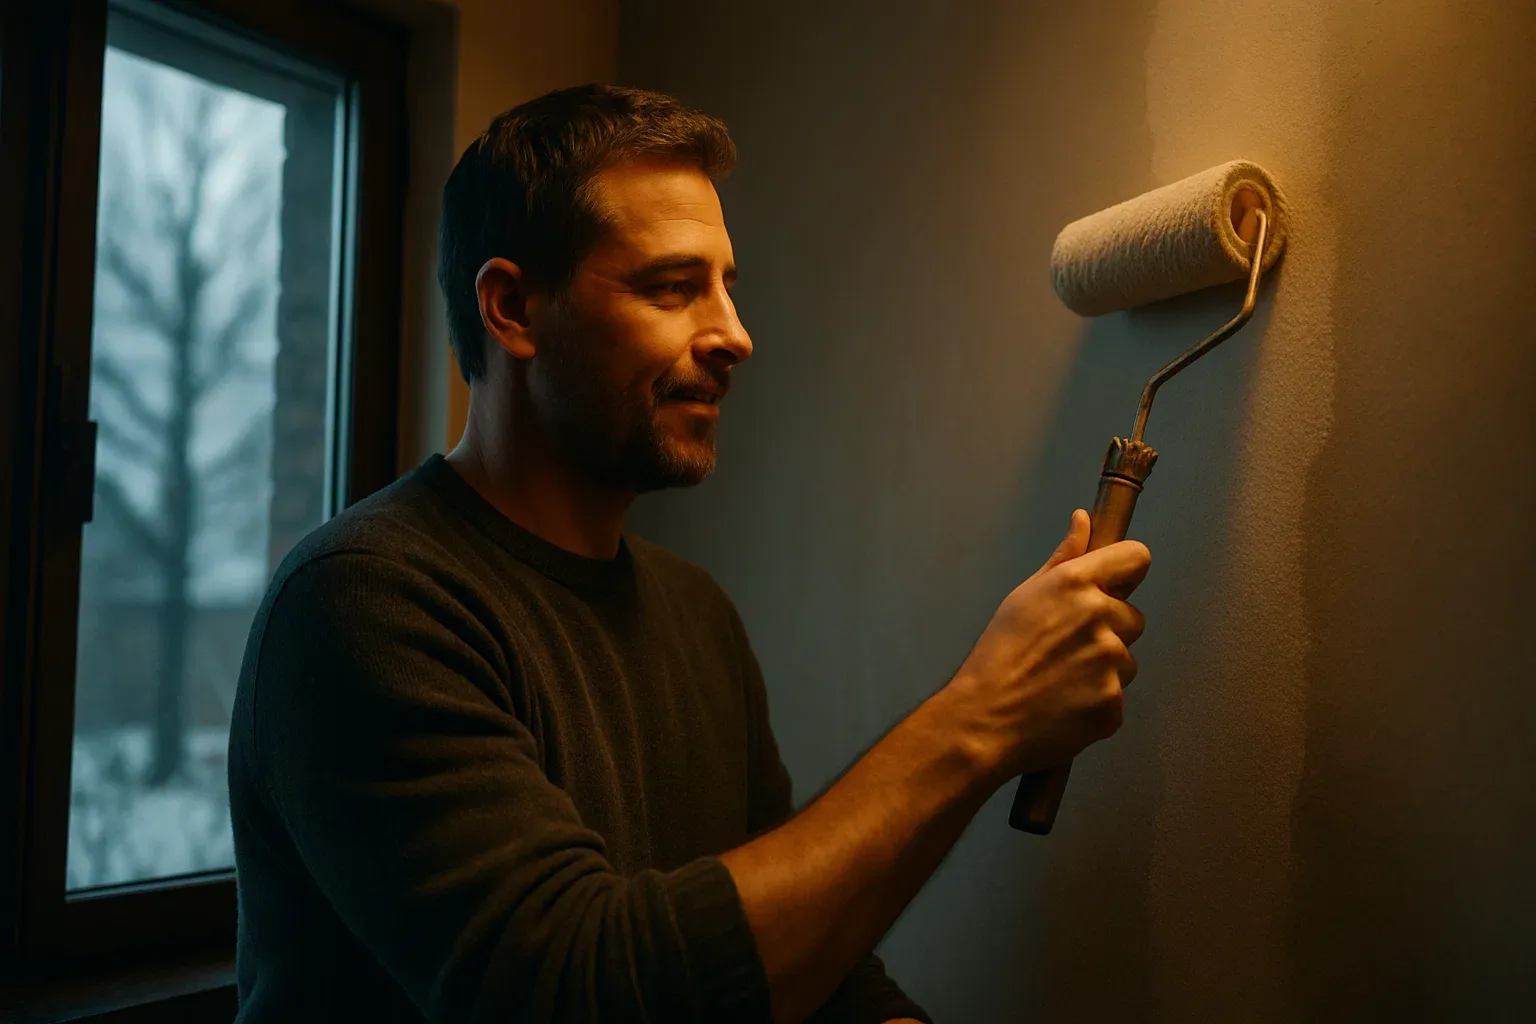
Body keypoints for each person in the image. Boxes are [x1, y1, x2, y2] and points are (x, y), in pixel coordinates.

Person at [227, 84, 1151, 1024]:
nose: (735, 336)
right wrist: (981, 717)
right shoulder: (365, 605)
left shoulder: (694, 614)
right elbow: (572, 992)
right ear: (512, 309)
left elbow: (804, 960)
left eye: (726, 287)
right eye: (671, 288)